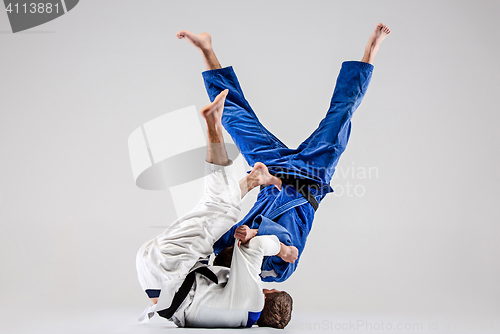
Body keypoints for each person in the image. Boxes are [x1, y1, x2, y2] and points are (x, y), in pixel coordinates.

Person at [176, 23, 391, 282]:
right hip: (311, 176)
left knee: (233, 119)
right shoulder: (274, 274)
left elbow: (215, 229)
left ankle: (206, 50)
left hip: (269, 172)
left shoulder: (225, 260)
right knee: (341, 114)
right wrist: (256, 235)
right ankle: (371, 49)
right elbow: (288, 246)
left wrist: (201, 247)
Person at [136, 89, 297, 329]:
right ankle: (254, 179)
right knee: (216, 213)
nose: (264, 284)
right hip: (160, 277)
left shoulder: (252, 302)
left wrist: (285, 251)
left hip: (171, 270)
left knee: (220, 207)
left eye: (269, 288)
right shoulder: (240, 318)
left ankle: (214, 123)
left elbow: (260, 247)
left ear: (267, 297)